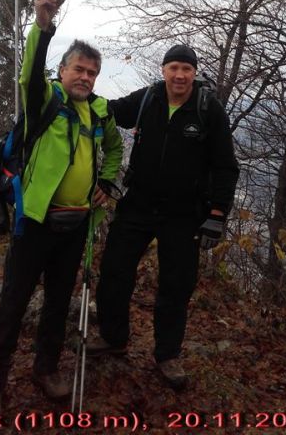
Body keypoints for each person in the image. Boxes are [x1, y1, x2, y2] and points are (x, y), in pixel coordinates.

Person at [0, 0, 123, 412]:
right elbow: (27, 73)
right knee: (13, 302)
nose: (85, 77)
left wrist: (109, 183)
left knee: (59, 304)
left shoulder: (98, 111)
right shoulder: (46, 98)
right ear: (62, 70)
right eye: (79, 69)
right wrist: (42, 24)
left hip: (78, 223)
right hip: (36, 222)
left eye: (92, 73)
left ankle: (46, 368)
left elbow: (114, 149)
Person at [89, 44, 239, 389]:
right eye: (173, 68)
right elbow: (109, 111)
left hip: (185, 213)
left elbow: (226, 166)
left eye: (186, 69)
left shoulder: (208, 109)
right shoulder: (148, 99)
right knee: (114, 271)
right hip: (138, 203)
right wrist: (75, 91)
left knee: (176, 285)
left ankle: (167, 355)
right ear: (163, 70)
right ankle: (114, 337)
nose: (180, 75)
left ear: (194, 73)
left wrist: (217, 214)